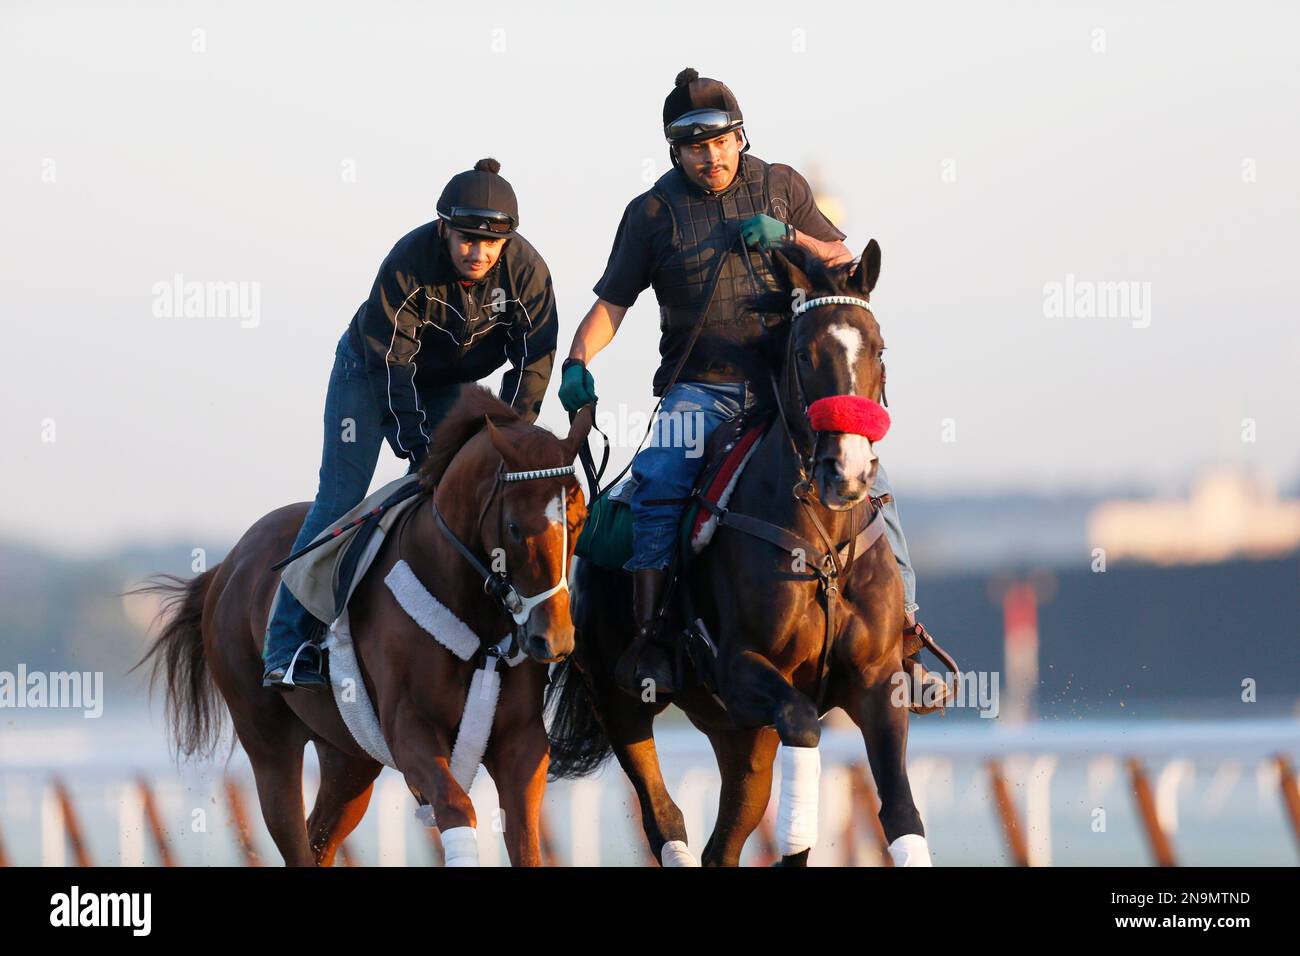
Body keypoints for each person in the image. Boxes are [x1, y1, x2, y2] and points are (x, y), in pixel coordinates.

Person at [558, 69, 948, 710]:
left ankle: (904, 639)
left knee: (871, 484)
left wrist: (788, 235)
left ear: (740, 138)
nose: (710, 156)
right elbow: (612, 306)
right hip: (698, 389)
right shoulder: (651, 214)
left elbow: (843, 261)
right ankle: (655, 639)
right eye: (694, 145)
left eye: (720, 141)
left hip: (784, 388)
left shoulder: (781, 185)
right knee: (657, 481)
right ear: (675, 151)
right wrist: (578, 360)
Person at [262, 158, 559, 691]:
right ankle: (287, 644)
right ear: (443, 229)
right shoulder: (408, 262)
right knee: (342, 497)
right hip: (371, 370)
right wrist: (419, 447)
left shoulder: (529, 274)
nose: (478, 254)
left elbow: (534, 363)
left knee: (483, 494)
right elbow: (393, 366)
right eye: (467, 240)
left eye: (491, 244)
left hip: (454, 384)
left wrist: (512, 439)